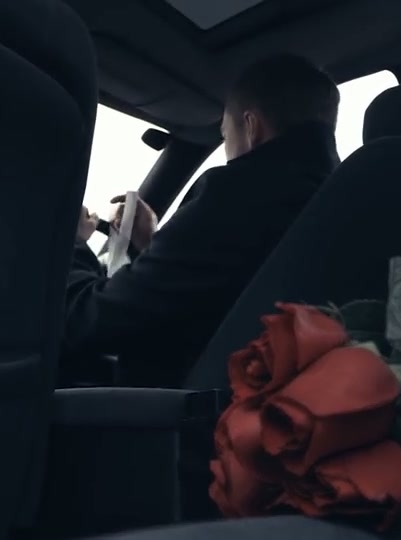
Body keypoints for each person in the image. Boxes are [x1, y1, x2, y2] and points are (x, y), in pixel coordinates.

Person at [64, 54, 341, 387]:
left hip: (184, 409)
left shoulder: (238, 194)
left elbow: (94, 322)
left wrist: (72, 242)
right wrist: (150, 246)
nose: (226, 148)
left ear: (251, 127)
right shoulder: (337, 199)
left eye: (225, 136)